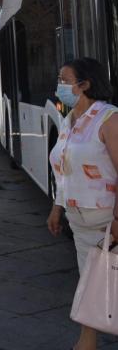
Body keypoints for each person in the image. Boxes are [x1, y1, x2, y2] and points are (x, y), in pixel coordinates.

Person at [47, 57, 118, 350]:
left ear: (85, 84)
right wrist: (57, 207)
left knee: (111, 284)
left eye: (65, 80)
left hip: (106, 220)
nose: (59, 86)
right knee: (90, 283)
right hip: (79, 221)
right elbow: (64, 168)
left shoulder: (109, 118)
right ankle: (87, 341)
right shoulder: (70, 119)